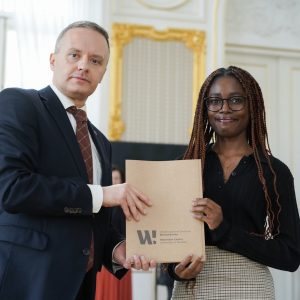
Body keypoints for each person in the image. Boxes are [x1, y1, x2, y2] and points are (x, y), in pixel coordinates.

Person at [0, 21, 156, 300]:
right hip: (26, 282)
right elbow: (11, 188)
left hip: (81, 287)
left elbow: (95, 218)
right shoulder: (19, 104)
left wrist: (116, 249)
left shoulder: (100, 142)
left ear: (102, 74)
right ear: (53, 60)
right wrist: (100, 194)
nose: (84, 65)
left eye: (95, 61)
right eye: (75, 55)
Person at [168, 66, 300, 299]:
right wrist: (175, 270)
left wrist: (224, 229)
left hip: (250, 287)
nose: (224, 109)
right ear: (204, 107)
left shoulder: (274, 171)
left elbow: (290, 255)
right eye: (215, 101)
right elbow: (169, 241)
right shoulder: (187, 165)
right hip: (192, 288)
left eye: (236, 100)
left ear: (253, 106)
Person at [95, 165, 132, 300]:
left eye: (117, 178)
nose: (115, 182)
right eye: (112, 179)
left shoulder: (128, 207)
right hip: (107, 261)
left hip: (123, 258)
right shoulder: (100, 207)